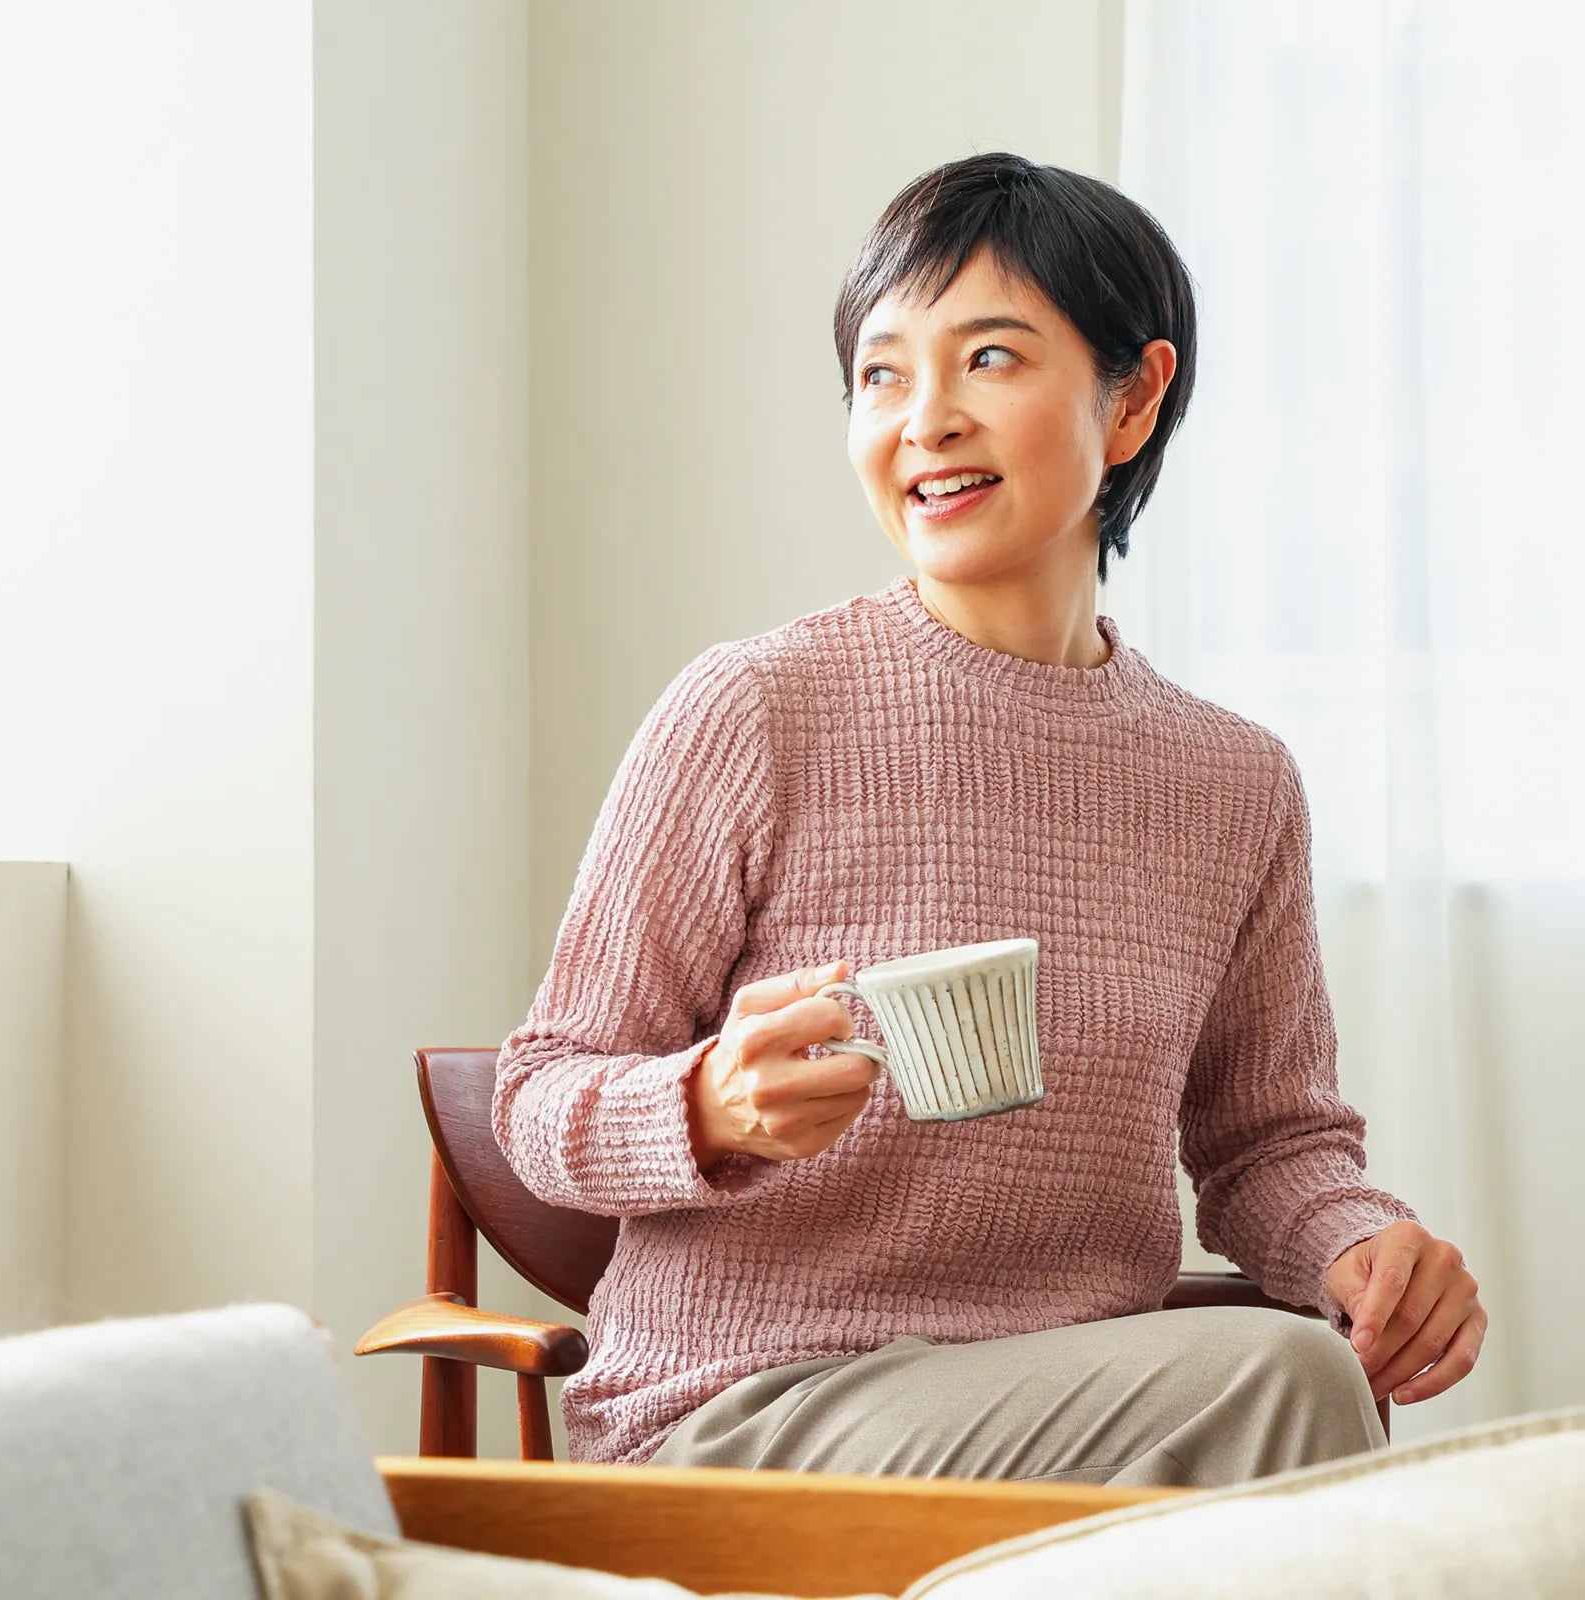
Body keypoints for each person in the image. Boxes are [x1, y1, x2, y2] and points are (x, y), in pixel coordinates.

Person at [491, 151, 1487, 1485]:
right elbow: (540, 1097)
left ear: (1132, 401)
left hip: (1072, 1404)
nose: (926, 419)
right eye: (881, 375)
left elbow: (1268, 1145)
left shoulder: (1233, 781)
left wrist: (1360, 1245)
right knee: (1288, 1383)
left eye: (990, 360)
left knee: (1303, 1372)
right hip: (743, 1414)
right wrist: (709, 1104)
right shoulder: (756, 710)